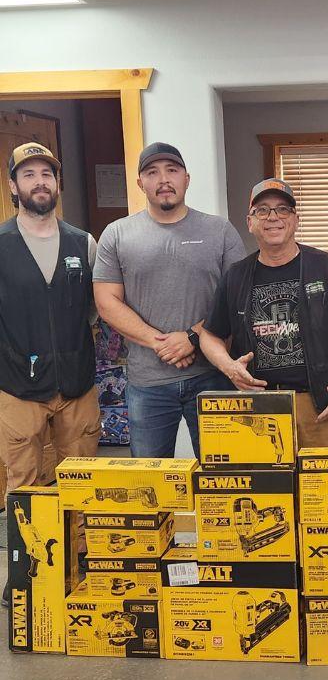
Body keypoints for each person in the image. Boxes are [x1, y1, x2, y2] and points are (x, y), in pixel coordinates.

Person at [94, 142, 245, 457]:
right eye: (152, 172)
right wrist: (161, 342)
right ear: (140, 183)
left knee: (225, 475)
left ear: (186, 179)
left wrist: (192, 337)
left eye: (172, 170)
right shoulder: (117, 234)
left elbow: (238, 297)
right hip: (147, 383)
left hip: (213, 376)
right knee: (151, 483)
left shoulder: (219, 231)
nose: (164, 179)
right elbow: (107, 303)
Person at [1, 143, 100, 608]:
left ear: (57, 184)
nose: (40, 181)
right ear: (13, 185)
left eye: (47, 173)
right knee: (24, 482)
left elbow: (99, 311)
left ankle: (79, 563)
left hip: (77, 383)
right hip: (17, 387)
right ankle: (25, 570)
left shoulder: (85, 242)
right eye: (29, 174)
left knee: (78, 477)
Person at [200, 179, 328, 447]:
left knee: (326, 488)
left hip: (320, 406)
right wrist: (229, 367)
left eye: (282, 210)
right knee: (266, 488)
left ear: (295, 219)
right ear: (250, 222)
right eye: (262, 210)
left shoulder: (325, 266)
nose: (273, 218)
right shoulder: (236, 275)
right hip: (259, 408)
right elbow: (209, 336)